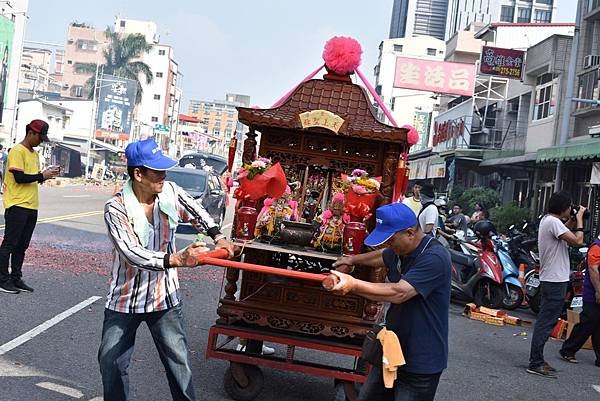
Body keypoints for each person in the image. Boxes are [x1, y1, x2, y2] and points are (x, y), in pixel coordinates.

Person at [98, 138, 235, 401]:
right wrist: (175, 259)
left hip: (165, 298)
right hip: (125, 300)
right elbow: (131, 253)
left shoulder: (170, 191)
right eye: (157, 171)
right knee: (111, 362)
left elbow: (198, 211)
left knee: (178, 363)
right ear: (138, 174)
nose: (164, 175)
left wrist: (219, 236)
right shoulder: (115, 208)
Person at [328, 202, 451, 401]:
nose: (389, 245)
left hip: (420, 360)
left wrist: (352, 284)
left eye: (391, 240)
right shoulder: (401, 250)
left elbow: (399, 292)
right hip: (391, 351)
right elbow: (382, 256)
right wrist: (352, 260)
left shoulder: (435, 257)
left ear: (410, 233)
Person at [527, 191, 586, 378]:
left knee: (546, 321)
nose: (571, 209)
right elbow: (577, 241)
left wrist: (573, 219)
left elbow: (564, 232)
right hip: (554, 280)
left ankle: (538, 359)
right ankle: (535, 362)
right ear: (563, 207)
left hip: (552, 278)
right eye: (570, 206)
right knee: (546, 323)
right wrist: (580, 221)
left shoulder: (549, 221)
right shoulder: (552, 222)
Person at [0, 120, 59, 294]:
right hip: (17, 204)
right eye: (40, 137)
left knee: (22, 245)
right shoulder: (18, 151)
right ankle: (3, 279)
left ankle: (16, 278)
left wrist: (45, 175)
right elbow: (19, 178)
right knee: (9, 244)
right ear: (31, 133)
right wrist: (42, 175)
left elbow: (32, 178)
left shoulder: (34, 154)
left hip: (31, 205)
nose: (41, 141)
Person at [560, 234, 600, 367]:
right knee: (588, 321)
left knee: (597, 325)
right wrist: (598, 291)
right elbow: (593, 270)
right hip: (593, 292)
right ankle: (568, 349)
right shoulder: (596, 247)